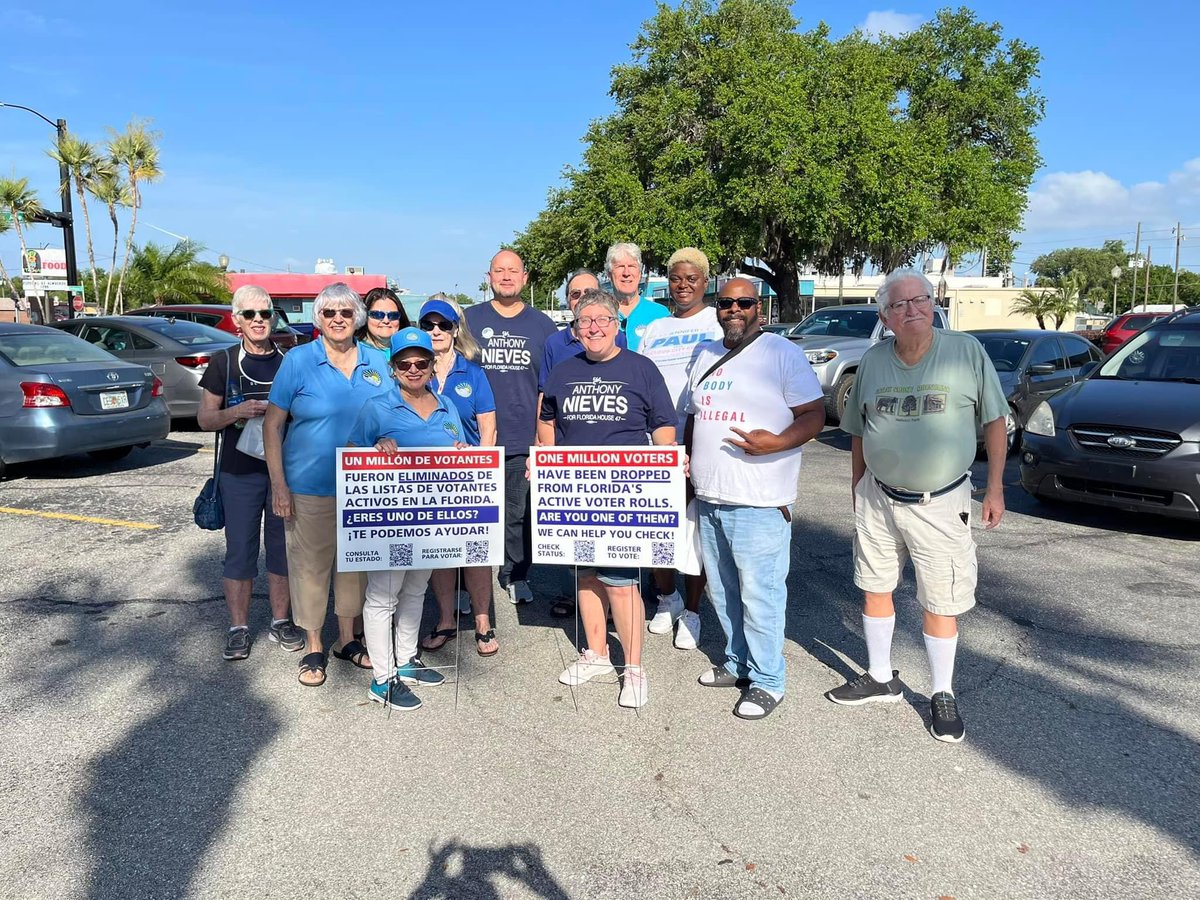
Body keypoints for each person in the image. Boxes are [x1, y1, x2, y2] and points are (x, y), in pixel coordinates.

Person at [825, 269, 1008, 744]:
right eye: (900, 305)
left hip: (941, 501)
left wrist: (996, 488)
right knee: (874, 586)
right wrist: (857, 484)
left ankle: (941, 693)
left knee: (940, 599)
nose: (912, 310)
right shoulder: (872, 361)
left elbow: (994, 419)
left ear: (934, 303)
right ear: (885, 316)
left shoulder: (965, 351)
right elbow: (860, 429)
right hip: (878, 496)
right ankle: (880, 676)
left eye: (920, 300)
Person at [684, 278, 825, 720]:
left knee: (760, 593)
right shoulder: (704, 354)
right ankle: (738, 662)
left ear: (758, 308)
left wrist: (778, 443)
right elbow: (694, 416)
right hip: (711, 495)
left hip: (760, 500)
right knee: (724, 590)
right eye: (726, 303)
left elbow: (815, 414)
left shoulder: (783, 354)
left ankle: (768, 680)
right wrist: (688, 464)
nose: (733, 309)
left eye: (743, 302)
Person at [540, 288, 677, 709]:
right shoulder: (563, 371)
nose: (594, 327)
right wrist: (545, 461)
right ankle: (597, 654)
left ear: (618, 326)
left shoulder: (642, 369)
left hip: (624, 495)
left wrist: (665, 465)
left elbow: (664, 425)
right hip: (575, 493)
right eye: (586, 321)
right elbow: (546, 420)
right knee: (585, 576)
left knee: (621, 583)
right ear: (576, 329)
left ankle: (633, 669)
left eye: (603, 320)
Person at [264, 283, 393, 687]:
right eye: (328, 312)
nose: (337, 318)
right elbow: (272, 425)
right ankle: (314, 645)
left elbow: (391, 416)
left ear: (357, 317)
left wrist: (388, 438)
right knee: (310, 568)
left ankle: (348, 640)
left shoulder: (377, 361)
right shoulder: (299, 361)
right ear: (318, 318)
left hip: (363, 489)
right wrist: (279, 486)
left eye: (345, 312)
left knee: (355, 570)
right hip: (309, 486)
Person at [347, 327, 464, 711]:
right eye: (404, 363)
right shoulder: (377, 407)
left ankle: (407, 660)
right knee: (383, 596)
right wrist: (375, 448)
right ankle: (383, 679)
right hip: (390, 522)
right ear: (393, 368)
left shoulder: (448, 406)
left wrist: (464, 451)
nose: (413, 369)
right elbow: (352, 453)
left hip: (432, 522)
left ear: (432, 365)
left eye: (421, 362)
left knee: (416, 589)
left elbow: (462, 452)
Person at [197, 284, 302, 661]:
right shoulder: (224, 362)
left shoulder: (291, 360)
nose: (259, 321)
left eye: (265, 313)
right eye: (250, 314)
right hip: (239, 473)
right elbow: (205, 419)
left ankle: (280, 621)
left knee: (282, 550)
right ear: (236, 320)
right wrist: (236, 412)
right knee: (239, 550)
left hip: (285, 472)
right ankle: (238, 627)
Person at [637, 248, 722, 649]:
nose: (683, 285)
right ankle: (666, 599)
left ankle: (692, 610)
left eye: (691, 278)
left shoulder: (715, 323)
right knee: (656, 525)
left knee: (694, 530)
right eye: (675, 278)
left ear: (706, 281)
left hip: (699, 440)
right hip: (655, 444)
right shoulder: (655, 328)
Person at [465, 250, 557, 606]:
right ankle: (464, 582)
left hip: (522, 435)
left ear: (525, 278)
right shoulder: (468, 319)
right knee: (468, 514)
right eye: (499, 270)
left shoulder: (543, 325)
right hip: (473, 439)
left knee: (518, 514)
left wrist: (542, 437)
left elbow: (548, 385)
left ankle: (515, 574)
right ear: (489, 276)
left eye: (513, 271)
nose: (506, 276)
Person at [416, 295, 502, 658]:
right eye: (428, 325)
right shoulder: (410, 369)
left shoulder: (473, 371)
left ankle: (482, 621)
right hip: (424, 479)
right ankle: (447, 619)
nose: (436, 331)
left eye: (443, 325)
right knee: (439, 552)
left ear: (455, 330)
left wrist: (481, 471)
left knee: (476, 552)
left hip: (468, 478)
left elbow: (488, 428)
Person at [537, 268, 626, 619]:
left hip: (612, 457)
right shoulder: (555, 344)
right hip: (567, 451)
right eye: (576, 295)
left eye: (591, 293)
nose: (584, 300)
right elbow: (545, 401)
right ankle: (572, 593)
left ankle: (612, 600)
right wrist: (543, 449)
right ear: (570, 304)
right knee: (571, 528)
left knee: (610, 539)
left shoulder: (612, 337)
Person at [606, 242, 669, 352]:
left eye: (631, 266)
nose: (626, 273)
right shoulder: (600, 313)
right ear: (609, 274)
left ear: (639, 273)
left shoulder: (660, 314)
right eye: (620, 266)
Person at [355, 287, 411, 353]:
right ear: (365, 316)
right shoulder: (353, 351)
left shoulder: (412, 349)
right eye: (377, 315)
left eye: (393, 315)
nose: (386, 321)